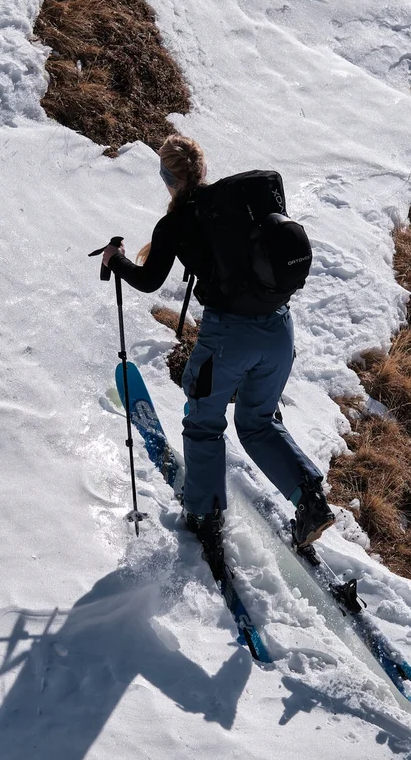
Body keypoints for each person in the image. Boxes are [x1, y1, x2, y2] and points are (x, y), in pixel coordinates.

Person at [100, 135, 334, 557]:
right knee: (258, 422)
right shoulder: (240, 204)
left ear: (167, 178)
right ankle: (310, 500)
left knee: (205, 422)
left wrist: (114, 260)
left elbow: (149, 280)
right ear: (203, 170)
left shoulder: (175, 223)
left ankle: (205, 515)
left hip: (228, 337)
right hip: (280, 330)